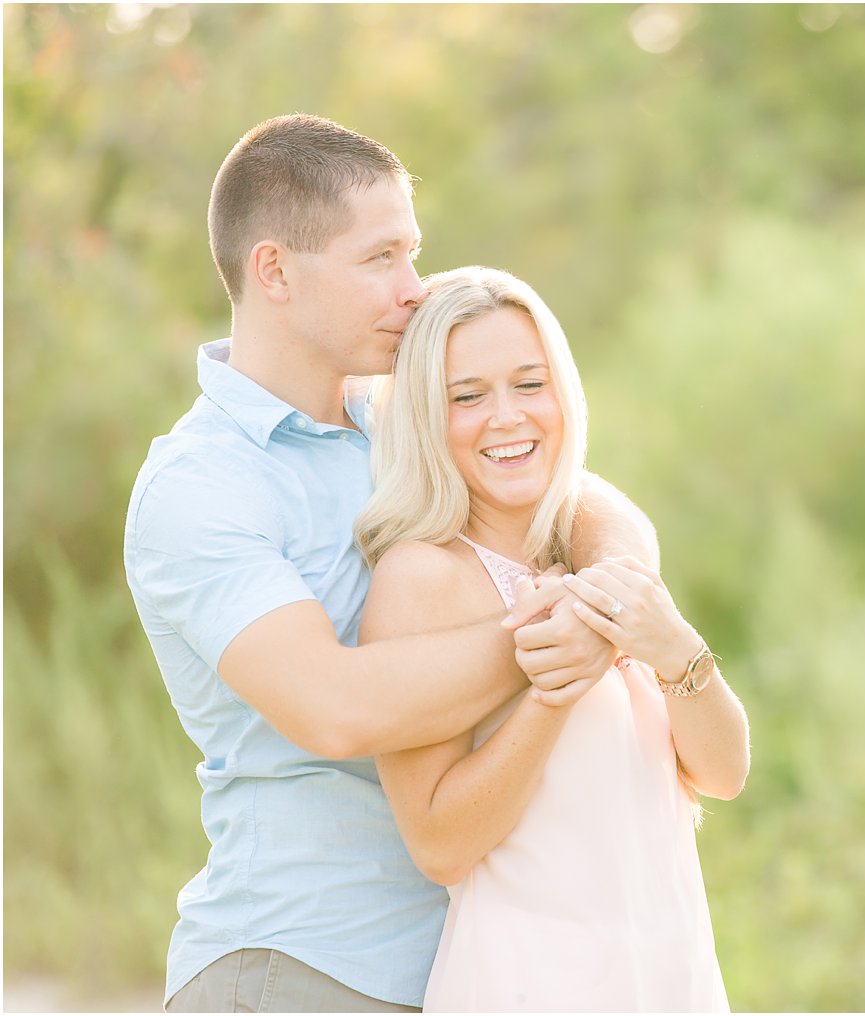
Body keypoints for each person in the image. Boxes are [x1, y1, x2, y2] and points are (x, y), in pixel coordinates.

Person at [124, 114, 659, 1012]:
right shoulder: (201, 486)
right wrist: (559, 629)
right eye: (380, 261)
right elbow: (334, 708)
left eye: (413, 254)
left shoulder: (396, 420)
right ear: (275, 271)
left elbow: (589, 501)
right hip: (301, 969)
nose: (413, 289)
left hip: (472, 966)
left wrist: (607, 595)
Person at [353, 265, 749, 1012]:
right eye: (467, 396)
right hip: (530, 985)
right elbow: (439, 844)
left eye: (529, 384)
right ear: (424, 418)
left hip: (671, 977)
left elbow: (724, 773)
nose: (507, 417)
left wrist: (675, 650)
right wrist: (553, 682)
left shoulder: (593, 552)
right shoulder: (422, 577)